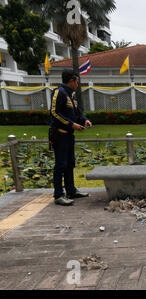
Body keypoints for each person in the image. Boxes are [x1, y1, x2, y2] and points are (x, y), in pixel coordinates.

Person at [50, 69, 92, 206]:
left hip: (69, 135)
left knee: (69, 164)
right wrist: (71, 124)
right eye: (77, 81)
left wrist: (84, 120)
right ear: (71, 80)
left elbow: (77, 112)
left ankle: (71, 191)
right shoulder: (59, 92)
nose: (78, 84)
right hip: (60, 134)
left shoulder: (71, 95)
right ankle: (58, 195)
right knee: (60, 165)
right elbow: (54, 113)